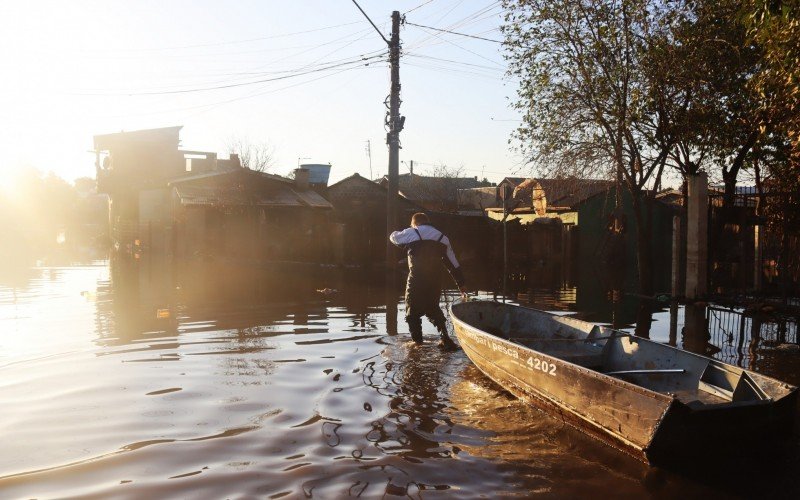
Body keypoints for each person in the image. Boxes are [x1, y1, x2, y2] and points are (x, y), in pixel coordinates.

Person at [389, 213, 467, 347]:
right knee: (433, 308)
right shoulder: (443, 238)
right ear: (428, 222)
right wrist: (461, 284)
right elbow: (453, 263)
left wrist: (407, 238)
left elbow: (393, 237)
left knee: (412, 313)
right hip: (435, 280)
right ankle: (445, 338)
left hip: (416, 279)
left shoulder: (411, 232)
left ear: (415, 223)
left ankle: (417, 344)